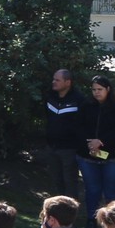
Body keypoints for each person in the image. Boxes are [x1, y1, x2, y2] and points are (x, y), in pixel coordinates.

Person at [78, 75, 115, 224]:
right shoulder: (86, 106)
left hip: (114, 156)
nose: (97, 93)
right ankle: (91, 220)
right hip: (88, 155)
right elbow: (79, 127)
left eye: (100, 89)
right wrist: (90, 143)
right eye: (94, 89)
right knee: (92, 190)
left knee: (111, 191)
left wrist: (101, 141)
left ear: (108, 89)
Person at [42, 69, 91, 201]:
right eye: (53, 79)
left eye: (57, 80)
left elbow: (85, 124)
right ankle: (56, 210)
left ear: (67, 82)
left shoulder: (79, 100)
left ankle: (69, 214)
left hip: (69, 149)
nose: (53, 82)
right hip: (52, 147)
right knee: (55, 180)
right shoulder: (50, 97)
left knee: (70, 182)